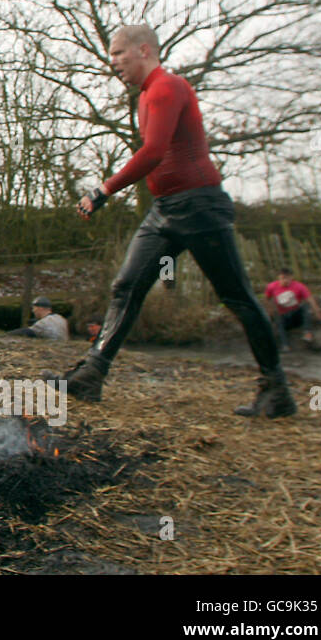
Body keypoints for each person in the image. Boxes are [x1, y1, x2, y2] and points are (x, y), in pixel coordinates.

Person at [61, 24, 295, 418]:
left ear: (144, 49)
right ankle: (91, 374)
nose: (112, 61)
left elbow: (154, 152)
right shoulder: (146, 96)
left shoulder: (169, 87)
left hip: (200, 207)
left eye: (118, 53)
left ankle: (277, 390)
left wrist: (104, 190)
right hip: (165, 208)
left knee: (237, 296)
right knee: (126, 286)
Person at [264, 267, 321, 352]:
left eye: (288, 278)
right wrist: (269, 312)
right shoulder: (271, 287)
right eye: (283, 278)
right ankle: (285, 345)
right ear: (279, 278)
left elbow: (310, 300)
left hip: (296, 315)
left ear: (291, 277)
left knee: (305, 306)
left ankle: (307, 333)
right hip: (284, 318)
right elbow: (266, 299)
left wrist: (318, 315)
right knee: (278, 318)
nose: (285, 280)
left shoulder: (299, 286)